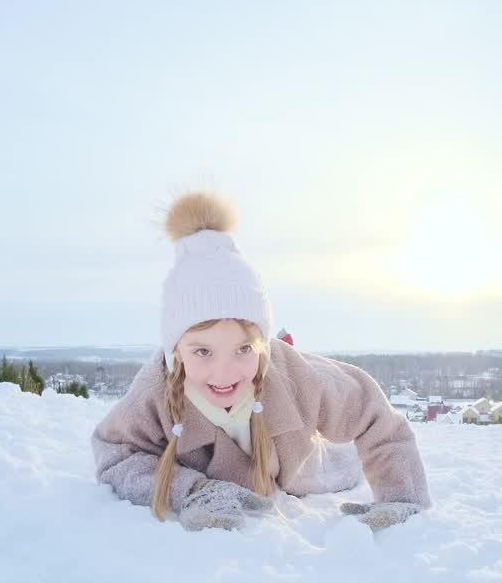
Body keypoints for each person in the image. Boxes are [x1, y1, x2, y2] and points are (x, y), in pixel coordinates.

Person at [91, 191, 430, 531]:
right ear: (175, 350)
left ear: (263, 345)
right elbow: (115, 454)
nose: (224, 373)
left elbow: (374, 414)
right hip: (230, 479)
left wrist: (401, 497)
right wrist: (193, 490)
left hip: (307, 471)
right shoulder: (157, 391)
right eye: (203, 352)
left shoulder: (296, 376)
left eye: (243, 349)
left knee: (339, 464)